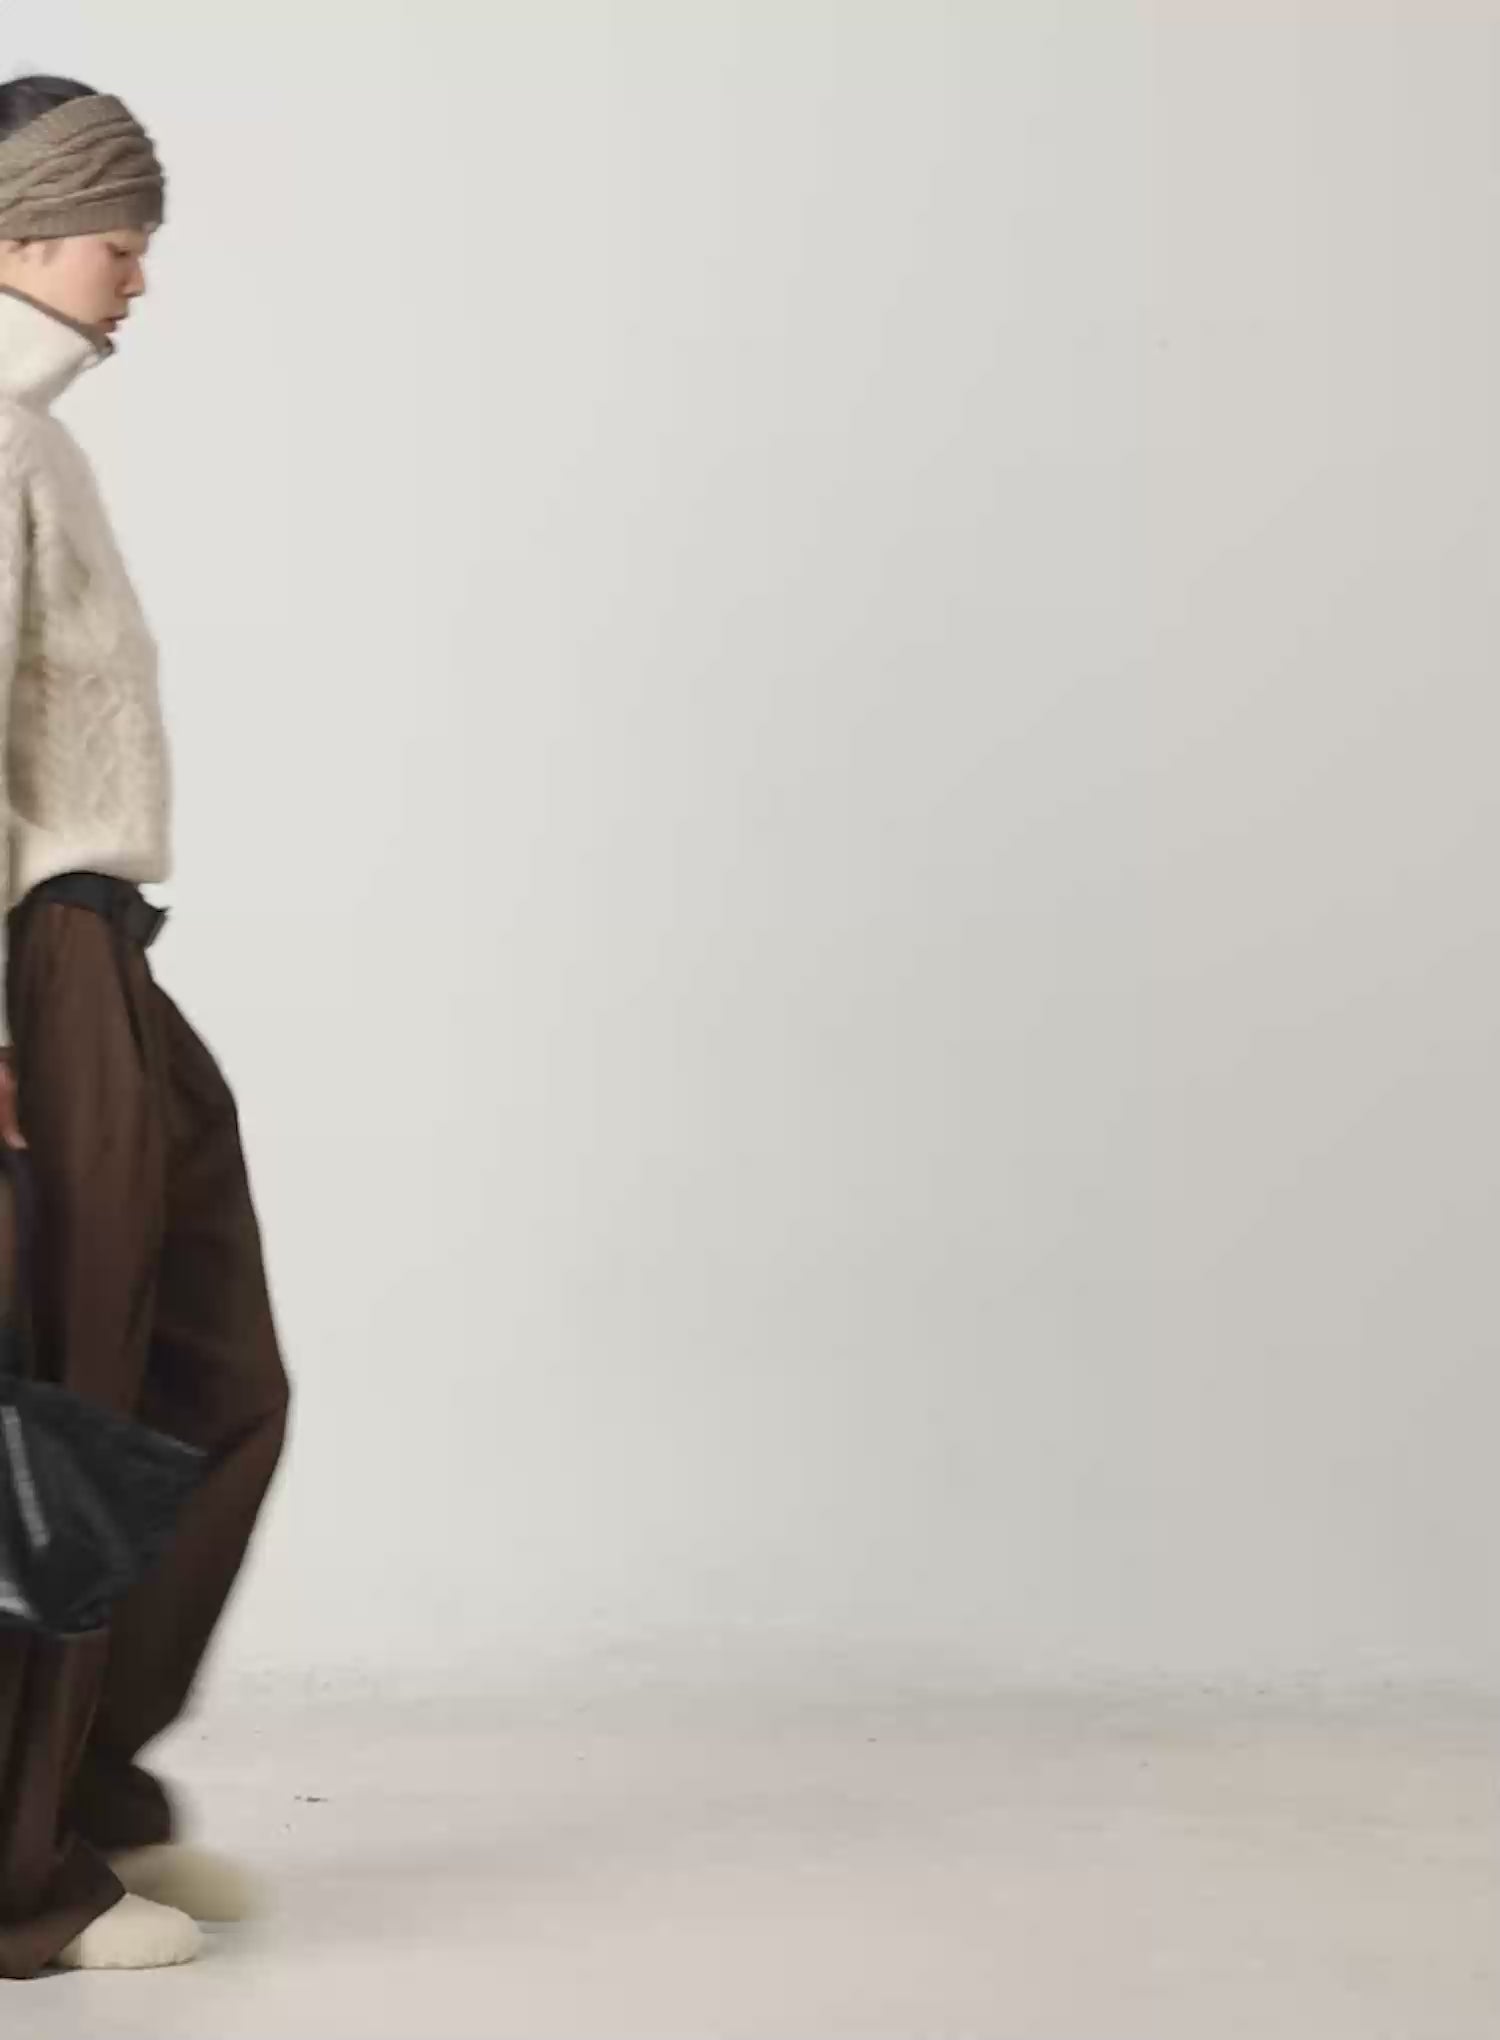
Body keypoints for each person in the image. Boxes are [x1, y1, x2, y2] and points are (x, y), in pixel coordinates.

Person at [0, 76, 291, 1976]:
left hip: (102, 957)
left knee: (206, 1373)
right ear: (24, 233)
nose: (141, 278)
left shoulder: (33, 439)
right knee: (62, 1410)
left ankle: (89, 1796)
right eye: (123, 241)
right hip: (32, 961)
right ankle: (19, 1875)